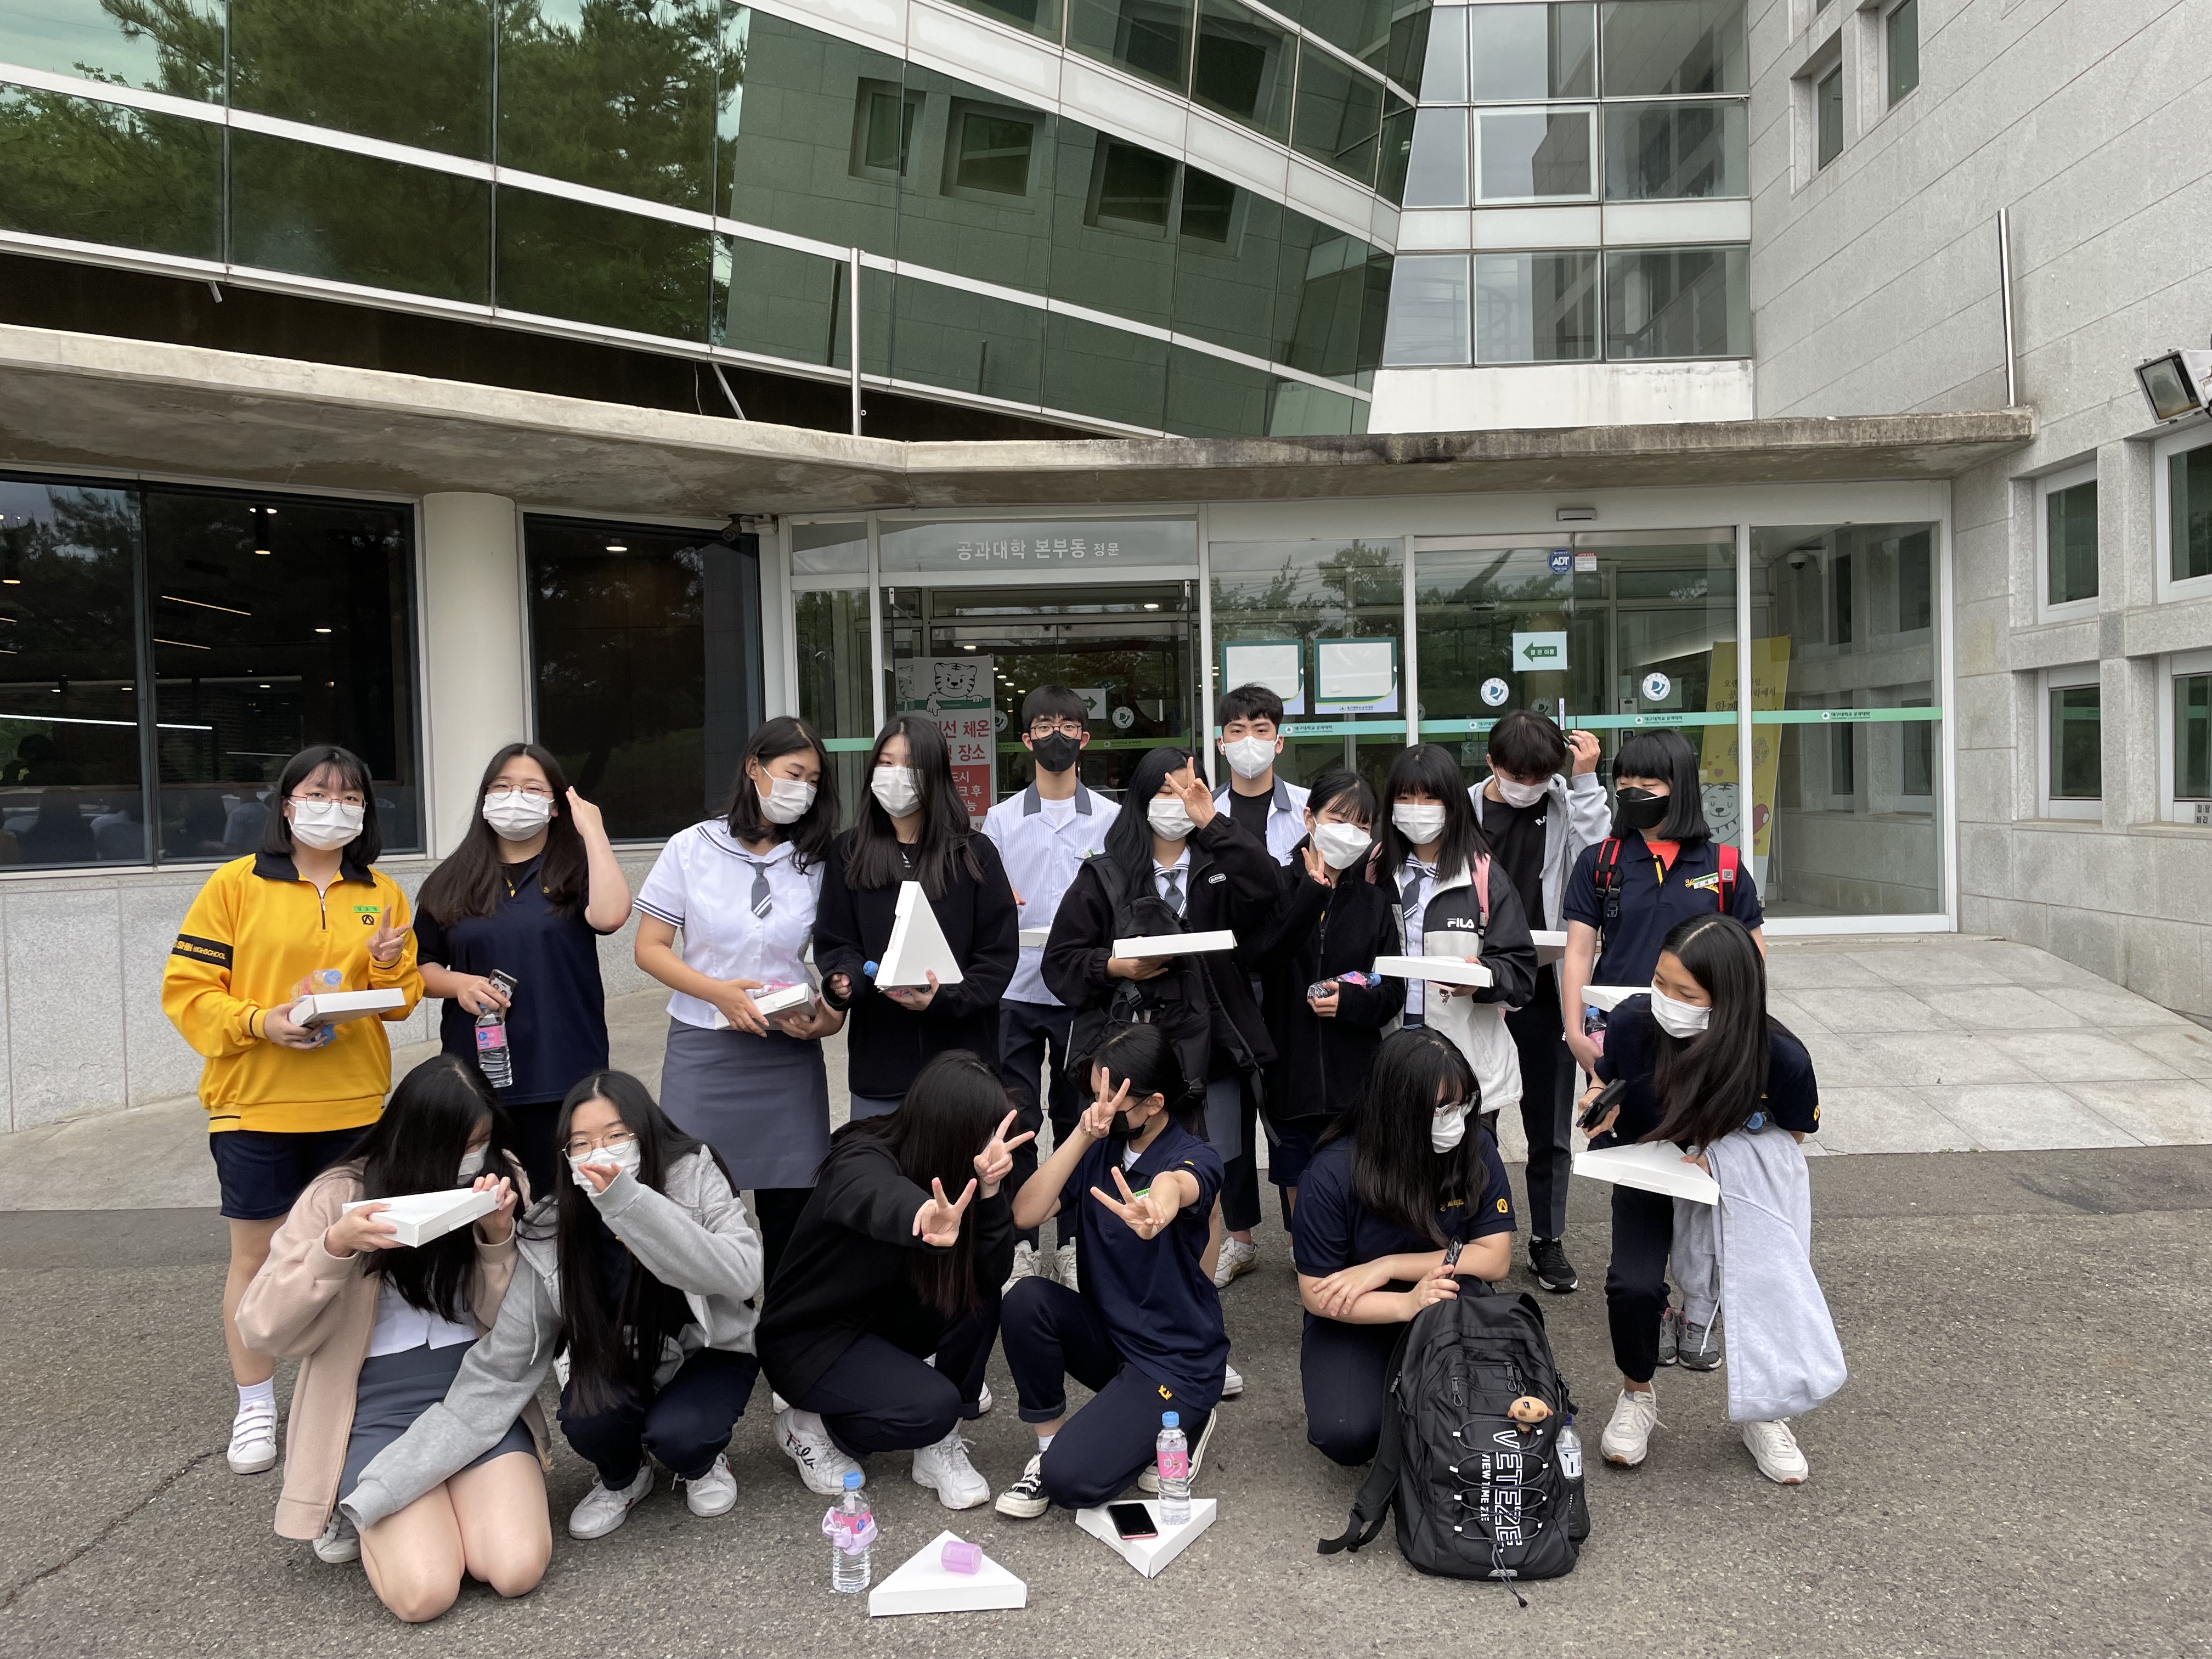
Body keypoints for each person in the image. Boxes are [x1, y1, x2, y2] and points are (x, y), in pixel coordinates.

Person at [344, 1071, 766, 1544]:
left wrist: (630, 1204)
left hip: (709, 1352)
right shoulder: (552, 1226)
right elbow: (501, 1369)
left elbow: (741, 1274)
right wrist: (384, 1487)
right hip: (621, 1356)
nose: (599, 1153)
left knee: (682, 1435)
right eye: (581, 1144)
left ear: (645, 1132)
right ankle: (625, 1476)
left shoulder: (692, 1173)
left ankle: (703, 1463)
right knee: (589, 1420)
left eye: (616, 1136)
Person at [161, 743, 421, 1480]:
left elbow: (400, 1001)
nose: (334, 809)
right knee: (258, 1256)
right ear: (286, 804)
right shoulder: (235, 884)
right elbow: (187, 991)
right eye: (318, 794)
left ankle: (350, 1391)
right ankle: (254, 1403)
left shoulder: (381, 891)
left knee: (363, 1254)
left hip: (354, 1101)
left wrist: (389, 960)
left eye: (350, 798)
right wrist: (261, 1022)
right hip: (255, 1103)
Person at [234, 1057, 547, 1621]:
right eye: (462, 1144)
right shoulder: (340, 1193)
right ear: (417, 1138)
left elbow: (517, 1326)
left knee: (514, 1568)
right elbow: (262, 1327)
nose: (474, 1155)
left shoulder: (501, 1177)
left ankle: (423, 1501)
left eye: (482, 1140)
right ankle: (358, 1505)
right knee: (425, 1594)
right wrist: (334, 1249)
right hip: (374, 1405)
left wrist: (497, 1241)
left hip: (475, 1394)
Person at [1042, 746, 1280, 1321]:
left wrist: (1213, 823)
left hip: (1211, 1049)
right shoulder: (1106, 874)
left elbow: (1271, 890)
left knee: (1205, 1179)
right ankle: (1123, 1306)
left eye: (1187, 790)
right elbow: (1061, 962)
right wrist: (1115, 965)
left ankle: (1197, 1319)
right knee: (1124, 1176)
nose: (1176, 802)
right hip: (1132, 1054)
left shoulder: (1218, 862)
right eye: (1164, 791)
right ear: (1140, 799)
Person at [1579, 914, 1819, 1481]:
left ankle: (1766, 1413)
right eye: (1660, 982)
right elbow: (1606, 1078)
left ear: (1730, 998)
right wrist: (1598, 1099)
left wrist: (1724, 1156)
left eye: (1686, 994)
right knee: (1632, 1286)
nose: (1667, 1001)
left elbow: (1794, 1135)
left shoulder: (1780, 1056)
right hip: (1648, 1167)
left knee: (1760, 1291)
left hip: (1732, 1185)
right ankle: (1637, 1394)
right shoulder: (1633, 1022)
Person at [758, 1051, 1028, 1510]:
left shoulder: (967, 1172)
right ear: (952, 1129)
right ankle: (810, 1427)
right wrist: (921, 1214)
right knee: (929, 1408)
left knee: (979, 1291)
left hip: (886, 1319)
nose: (994, 1147)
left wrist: (990, 1192)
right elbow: (874, 1193)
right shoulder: (861, 1155)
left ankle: (940, 1444)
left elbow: (991, 1274)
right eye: (987, 1133)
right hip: (812, 1339)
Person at [636, 716, 845, 1288]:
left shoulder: (817, 859)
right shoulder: (690, 848)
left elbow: (838, 954)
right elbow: (649, 949)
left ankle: (782, 1325)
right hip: (705, 1047)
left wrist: (829, 1018)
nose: (803, 790)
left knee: (791, 1206)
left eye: (813, 781)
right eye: (793, 774)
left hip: (786, 1051)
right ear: (755, 768)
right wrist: (718, 994)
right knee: (692, 1195)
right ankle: (704, 1324)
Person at [992, 1024, 1228, 1517]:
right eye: (1094, 1095)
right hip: (1113, 1337)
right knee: (1025, 1299)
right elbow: (1026, 1214)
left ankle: (1190, 1418)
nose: (1099, 1108)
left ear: (1154, 1103)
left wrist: (1159, 1205)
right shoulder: (1098, 1148)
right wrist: (1081, 1135)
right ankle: (1047, 1447)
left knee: (1070, 1481)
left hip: (1174, 1360)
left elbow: (1180, 1184)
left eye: (1112, 1100)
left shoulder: (1194, 1155)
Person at [414, 743, 633, 1198]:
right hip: (477, 1079)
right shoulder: (451, 879)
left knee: (570, 1206)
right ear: (485, 799)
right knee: (487, 1207)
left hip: (564, 1069)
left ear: (554, 806)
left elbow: (612, 916)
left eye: (532, 789)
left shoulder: (576, 870)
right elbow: (420, 967)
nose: (515, 798)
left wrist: (593, 831)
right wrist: (459, 984)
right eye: (503, 787)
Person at [1292, 1028, 1515, 1466]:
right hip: (1358, 1312)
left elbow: (1494, 1259)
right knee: (1346, 1435)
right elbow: (1318, 1295)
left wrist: (1390, 1265)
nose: (1456, 1119)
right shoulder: (1331, 1174)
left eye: (1463, 1103)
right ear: (1397, 1110)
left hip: (1448, 1295)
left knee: (1480, 1415)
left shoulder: (1474, 1145)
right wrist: (1405, 1304)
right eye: (1441, 1109)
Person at [813, 715, 1019, 1117]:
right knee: (877, 1157)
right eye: (886, 763)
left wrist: (947, 999)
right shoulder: (849, 852)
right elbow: (837, 940)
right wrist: (844, 979)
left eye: (910, 765)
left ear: (936, 775)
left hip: (963, 1069)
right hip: (880, 1064)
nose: (896, 775)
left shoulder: (974, 854)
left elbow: (996, 955)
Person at [983, 686, 1119, 1291]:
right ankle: (1018, 1244)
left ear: (1084, 738)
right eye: (1044, 725)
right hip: (1014, 990)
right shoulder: (1001, 819)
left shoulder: (1111, 818)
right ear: (1027, 738)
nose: (1056, 734)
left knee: (1077, 1119)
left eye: (1067, 724)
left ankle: (1069, 1243)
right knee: (1015, 1120)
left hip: (1080, 996)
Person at [1467, 712, 1608, 1296]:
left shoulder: (1565, 802)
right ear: (1492, 764)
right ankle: (1477, 1232)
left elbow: (1600, 860)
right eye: (1518, 775)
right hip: (1480, 984)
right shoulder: (1464, 809)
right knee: (1474, 1117)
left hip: (1546, 985)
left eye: (1541, 776)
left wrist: (1586, 782)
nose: (1530, 785)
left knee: (1549, 1125)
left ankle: (1547, 1238)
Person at [1561, 729, 1766, 1084]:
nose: (1633, 794)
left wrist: (1742, 1031)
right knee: (1618, 1117)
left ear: (1679, 787)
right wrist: (1575, 1031)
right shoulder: (1599, 862)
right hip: (1615, 1029)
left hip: (1701, 1032)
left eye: (1647, 785)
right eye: (1624, 785)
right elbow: (1578, 953)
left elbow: (1753, 957)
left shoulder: (1724, 866)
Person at [1251, 770, 1403, 1220]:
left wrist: (1349, 1003)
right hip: (1288, 1072)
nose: (1350, 833)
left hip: (1353, 1080)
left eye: (1362, 825)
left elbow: (1392, 989)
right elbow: (1261, 961)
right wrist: (1310, 897)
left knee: (1355, 1181)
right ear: (1310, 819)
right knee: (1296, 1179)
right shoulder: (1275, 888)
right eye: (1338, 819)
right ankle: (1304, 1248)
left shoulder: (1374, 903)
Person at [1377, 743, 1537, 1122]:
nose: (1417, 808)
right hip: (1390, 1064)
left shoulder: (1483, 876)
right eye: (1405, 798)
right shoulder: (1374, 871)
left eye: (1430, 798)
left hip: (1466, 1068)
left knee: (1469, 1160)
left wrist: (1480, 978)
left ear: (1452, 803)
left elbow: (1520, 972)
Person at [1210, 682, 1310, 865]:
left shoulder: (1307, 806)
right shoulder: (1208, 809)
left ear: (1278, 743)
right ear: (1221, 744)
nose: (1249, 739)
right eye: (1237, 731)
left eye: (1261, 730)